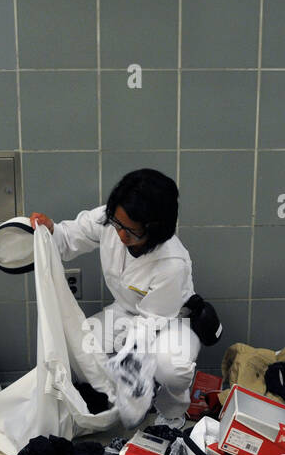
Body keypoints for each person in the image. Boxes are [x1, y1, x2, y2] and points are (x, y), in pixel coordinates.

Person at [29, 169, 199, 427]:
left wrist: (128, 375)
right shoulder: (112, 218)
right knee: (79, 350)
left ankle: (173, 410)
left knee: (171, 367)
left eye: (132, 232)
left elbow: (149, 326)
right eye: (118, 225)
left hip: (170, 320)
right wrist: (51, 230)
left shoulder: (172, 263)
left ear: (155, 230)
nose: (121, 235)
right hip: (127, 311)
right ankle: (108, 398)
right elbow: (69, 236)